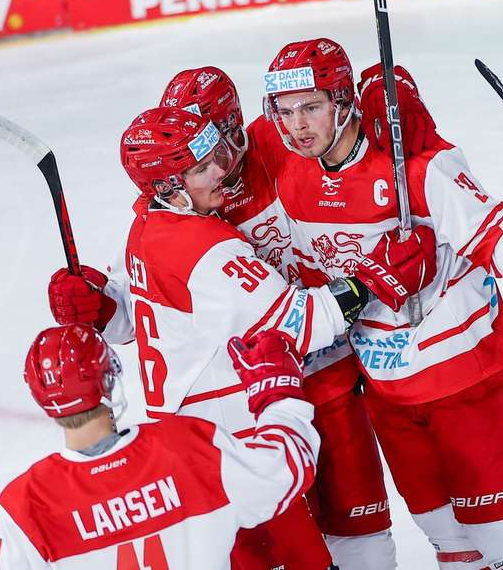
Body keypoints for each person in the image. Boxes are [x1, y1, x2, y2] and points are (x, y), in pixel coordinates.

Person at [259, 38, 503, 570]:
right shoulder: (294, 178)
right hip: (388, 388)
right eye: (285, 111)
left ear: (343, 104)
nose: (297, 125)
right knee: (450, 541)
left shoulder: (412, 161)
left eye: (311, 107)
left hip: (464, 378)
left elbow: (494, 222)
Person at [48, 106, 389, 570]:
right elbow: (302, 323)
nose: (221, 173)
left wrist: (104, 310)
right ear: (169, 186)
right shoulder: (204, 246)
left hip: (190, 451)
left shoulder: (145, 227)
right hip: (233, 449)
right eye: (202, 168)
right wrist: (374, 278)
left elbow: (140, 323)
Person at [158, 66, 406, 569]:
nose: (215, 160)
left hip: (328, 370)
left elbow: (347, 125)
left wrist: (387, 109)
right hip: (250, 404)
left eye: (220, 137)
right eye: (197, 148)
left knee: (359, 529)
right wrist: (107, 305)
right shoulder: (180, 196)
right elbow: (156, 302)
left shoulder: (284, 137)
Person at [0, 324, 322, 568]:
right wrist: (277, 395)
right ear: (108, 378)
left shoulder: (24, 505)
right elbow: (288, 468)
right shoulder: (187, 446)